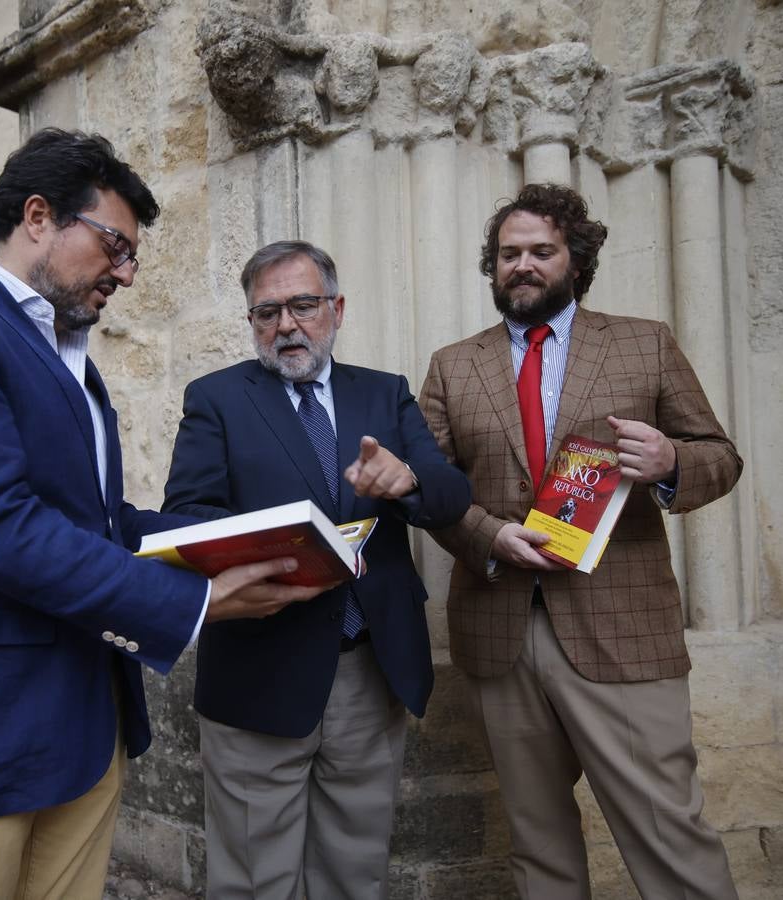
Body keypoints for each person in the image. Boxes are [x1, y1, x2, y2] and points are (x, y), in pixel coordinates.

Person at [0, 129, 324, 900]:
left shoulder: (63, 352)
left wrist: (249, 540)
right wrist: (192, 602)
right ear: (38, 217)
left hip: (84, 722)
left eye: (132, 256)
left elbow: (100, 523)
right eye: (114, 245)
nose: (126, 272)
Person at [418, 183, 743, 899]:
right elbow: (427, 487)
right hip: (502, 629)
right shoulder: (452, 365)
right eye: (509, 253)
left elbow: (721, 457)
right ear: (493, 265)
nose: (523, 265)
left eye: (542, 251)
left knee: (670, 834)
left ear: (575, 259)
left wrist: (671, 462)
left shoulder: (644, 343)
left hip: (622, 628)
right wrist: (487, 535)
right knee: (538, 846)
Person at [163, 240, 471, 899]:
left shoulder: (385, 393)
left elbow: (451, 496)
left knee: (354, 872)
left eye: (303, 305)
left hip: (369, 668)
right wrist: (267, 544)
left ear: (337, 308)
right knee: (254, 879)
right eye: (267, 311)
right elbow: (187, 515)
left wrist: (408, 479)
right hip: (260, 669)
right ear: (252, 321)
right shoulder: (216, 398)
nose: (286, 324)